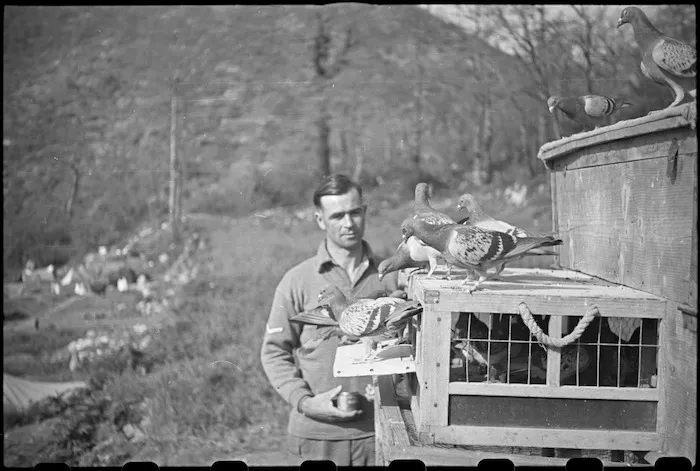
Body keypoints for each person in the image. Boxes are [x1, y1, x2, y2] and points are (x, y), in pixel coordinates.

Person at [260, 173, 405, 466]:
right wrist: (305, 402)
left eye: (354, 212)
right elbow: (274, 352)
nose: (348, 223)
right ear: (320, 220)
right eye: (337, 215)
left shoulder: (392, 275)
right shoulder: (297, 281)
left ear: (364, 212)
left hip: (381, 432)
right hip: (316, 438)